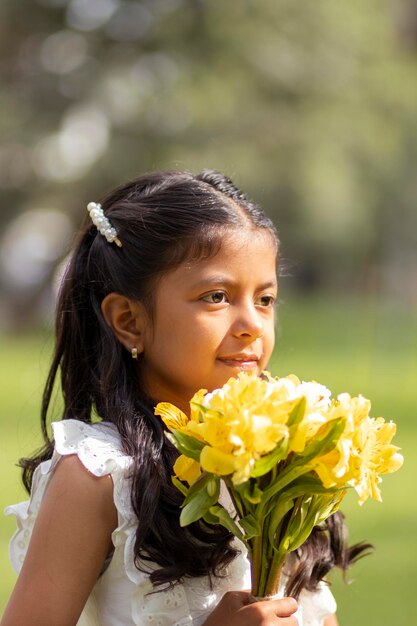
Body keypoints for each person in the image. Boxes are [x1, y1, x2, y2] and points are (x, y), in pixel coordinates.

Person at [2, 170, 366, 626]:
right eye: (217, 296)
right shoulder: (100, 478)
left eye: (266, 299)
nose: (252, 323)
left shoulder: (283, 455)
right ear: (130, 321)